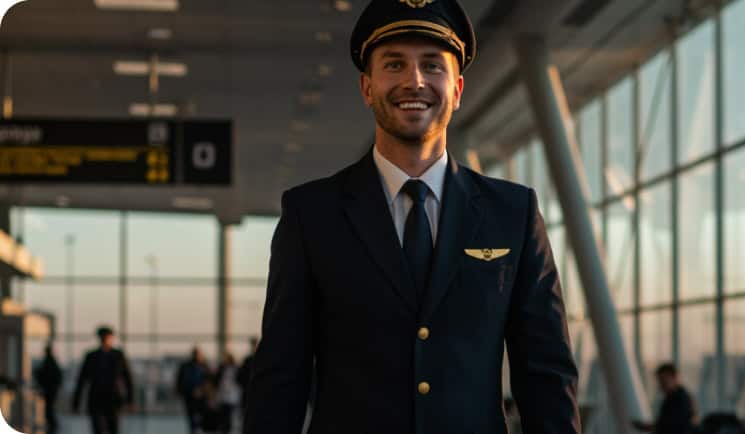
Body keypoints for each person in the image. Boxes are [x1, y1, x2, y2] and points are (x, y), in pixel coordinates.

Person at [244, 1, 580, 433]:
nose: (414, 81)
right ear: (367, 87)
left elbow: (546, 374)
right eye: (395, 64)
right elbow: (279, 380)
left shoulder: (512, 214)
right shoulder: (312, 215)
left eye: (432, 66)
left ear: (457, 90)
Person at [72, 326, 134, 434]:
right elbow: (82, 380)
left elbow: (128, 378)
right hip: (97, 399)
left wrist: (130, 399)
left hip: (112, 400)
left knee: (113, 429)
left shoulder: (118, 356)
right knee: (98, 429)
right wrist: (76, 402)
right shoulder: (91, 356)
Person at [632, 363, 698, 434]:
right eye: (660, 381)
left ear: (675, 377)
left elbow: (671, 427)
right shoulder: (676, 398)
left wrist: (646, 427)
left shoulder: (679, 400)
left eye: (664, 380)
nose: (661, 384)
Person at [176, 346, 210, 434]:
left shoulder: (204, 366)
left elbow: (208, 381)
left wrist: (202, 391)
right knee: (192, 418)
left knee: (199, 418)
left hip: (200, 397)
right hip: (190, 396)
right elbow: (181, 380)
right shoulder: (189, 366)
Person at [34, 343, 63, 434]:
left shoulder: (48, 362)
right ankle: (52, 424)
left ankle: (53, 424)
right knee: (49, 408)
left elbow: (43, 374)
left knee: (48, 408)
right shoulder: (52, 362)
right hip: (52, 389)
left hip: (49, 389)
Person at [215, 353, 241, 434]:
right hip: (223, 396)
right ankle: (224, 429)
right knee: (223, 415)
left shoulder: (236, 369)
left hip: (231, 396)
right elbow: (217, 382)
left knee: (228, 416)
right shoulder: (222, 369)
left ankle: (227, 430)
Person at [234, 337, 257, 420]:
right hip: (249, 391)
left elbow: (239, 377)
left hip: (250, 391)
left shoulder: (249, 360)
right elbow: (239, 377)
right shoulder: (249, 360)